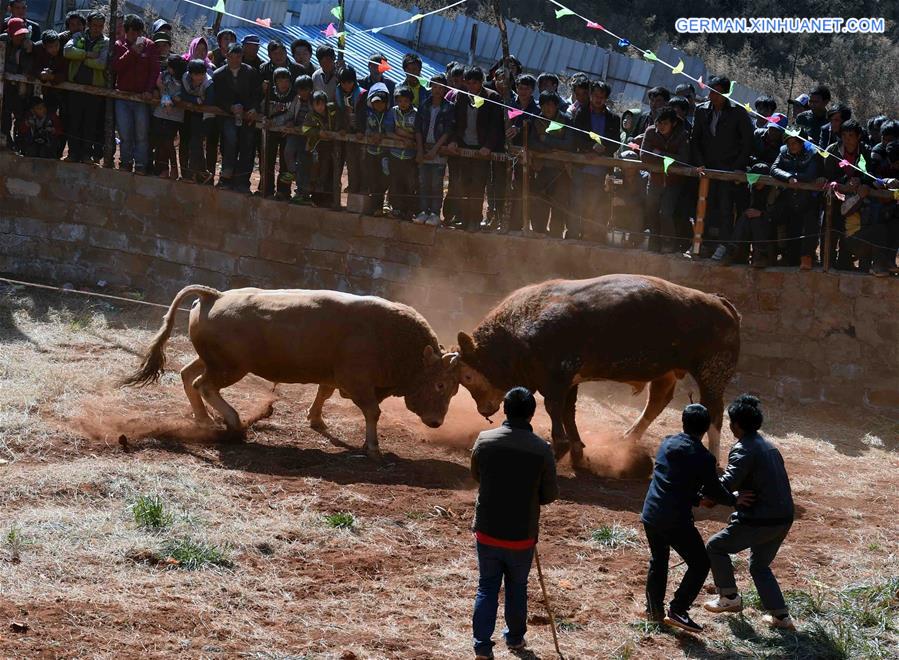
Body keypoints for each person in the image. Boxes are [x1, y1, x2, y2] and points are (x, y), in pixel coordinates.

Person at [470, 387, 558, 660]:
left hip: (487, 531)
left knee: (487, 586)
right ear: (532, 413)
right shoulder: (542, 449)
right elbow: (550, 494)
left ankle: (482, 646)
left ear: (504, 410)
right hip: (522, 535)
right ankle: (516, 639)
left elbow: (477, 475)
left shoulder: (484, 440)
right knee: (517, 587)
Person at [640, 403, 742, 633]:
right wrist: (734, 500)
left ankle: (653, 611)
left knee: (659, 561)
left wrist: (697, 499)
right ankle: (678, 609)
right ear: (706, 428)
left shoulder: (667, 442)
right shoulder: (704, 457)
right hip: (674, 518)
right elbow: (715, 491)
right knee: (700, 563)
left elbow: (671, 481)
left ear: (683, 423)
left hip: (651, 512)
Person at [702, 395, 796, 631]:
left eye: (731, 422)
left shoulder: (743, 448)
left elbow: (728, 483)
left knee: (715, 546)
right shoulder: (769, 446)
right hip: (783, 519)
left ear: (737, 424)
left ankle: (729, 598)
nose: (730, 426)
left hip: (760, 520)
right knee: (759, 566)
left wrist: (705, 488)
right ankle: (781, 617)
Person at [690, 75, 754, 260]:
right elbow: (695, 140)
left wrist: (737, 167)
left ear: (726, 93)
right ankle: (704, 244)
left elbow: (747, 142)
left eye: (717, 92)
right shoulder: (702, 111)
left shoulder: (738, 112)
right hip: (707, 168)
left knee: (726, 208)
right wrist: (699, 162)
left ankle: (724, 245)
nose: (712, 96)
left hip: (728, 169)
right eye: (710, 91)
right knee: (704, 206)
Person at [448, 66, 504, 232]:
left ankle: (474, 220)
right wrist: (453, 141)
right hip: (464, 147)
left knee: (478, 186)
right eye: (468, 83)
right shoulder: (461, 97)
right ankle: (464, 219)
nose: (471, 86)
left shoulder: (492, 97)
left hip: (481, 150)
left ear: (481, 82)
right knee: (463, 184)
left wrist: (488, 146)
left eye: (475, 83)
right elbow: (454, 122)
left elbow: (496, 126)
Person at [573, 80, 621, 241]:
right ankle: (575, 234)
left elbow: (615, 141)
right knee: (578, 202)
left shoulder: (613, 118)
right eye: (595, 95)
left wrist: (603, 149)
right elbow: (576, 136)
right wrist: (590, 148)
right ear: (590, 95)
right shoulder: (581, 113)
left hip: (602, 171)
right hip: (582, 167)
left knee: (597, 204)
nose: (597, 99)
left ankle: (593, 235)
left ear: (606, 98)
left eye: (601, 96)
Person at [769, 128, 823, 269]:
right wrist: (789, 177)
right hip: (789, 198)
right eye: (789, 143)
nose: (792, 146)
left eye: (795, 143)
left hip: (808, 199)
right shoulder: (783, 152)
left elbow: (811, 174)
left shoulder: (813, 153)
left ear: (802, 143)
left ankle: (808, 257)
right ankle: (789, 257)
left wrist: (794, 176)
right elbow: (774, 169)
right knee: (792, 228)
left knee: (809, 229)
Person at [212, 42, 262, 193]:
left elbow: (257, 94)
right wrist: (230, 108)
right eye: (231, 56)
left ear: (242, 57)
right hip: (227, 115)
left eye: (238, 56)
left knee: (247, 147)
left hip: (247, 116)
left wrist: (253, 108)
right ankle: (226, 177)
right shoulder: (219, 74)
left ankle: (242, 182)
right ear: (226, 56)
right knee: (230, 141)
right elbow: (217, 98)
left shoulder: (251, 72)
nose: (235, 60)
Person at [112, 14, 158, 175]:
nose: (135, 36)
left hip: (141, 98)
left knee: (141, 134)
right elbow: (116, 67)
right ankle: (125, 162)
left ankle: (140, 165)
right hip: (123, 97)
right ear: (126, 31)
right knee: (125, 134)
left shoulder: (149, 46)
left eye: (138, 33)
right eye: (132, 32)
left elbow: (154, 71)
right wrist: (132, 53)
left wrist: (149, 90)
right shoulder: (118, 45)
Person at [641, 106, 690, 253]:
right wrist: (667, 157)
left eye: (665, 123)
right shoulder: (650, 132)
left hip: (673, 182)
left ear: (673, 124)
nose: (661, 127)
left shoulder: (682, 135)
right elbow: (644, 156)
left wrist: (658, 153)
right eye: (659, 123)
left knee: (666, 212)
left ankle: (669, 243)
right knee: (651, 210)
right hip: (654, 179)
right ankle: (654, 241)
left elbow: (683, 159)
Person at [62, 11, 108, 164]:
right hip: (75, 88)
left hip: (94, 90)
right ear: (88, 24)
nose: (97, 29)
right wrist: (88, 54)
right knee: (74, 122)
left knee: (90, 124)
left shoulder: (106, 42)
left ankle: (86, 155)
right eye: (94, 25)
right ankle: (73, 154)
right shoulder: (78, 37)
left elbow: (102, 63)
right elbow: (67, 51)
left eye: (100, 26)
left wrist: (81, 59)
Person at [530, 91, 575, 237]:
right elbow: (531, 142)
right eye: (544, 105)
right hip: (541, 169)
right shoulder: (536, 119)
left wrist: (546, 140)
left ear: (556, 106)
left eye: (551, 105)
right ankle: (539, 233)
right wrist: (550, 149)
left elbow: (569, 144)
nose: (548, 108)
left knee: (559, 205)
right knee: (540, 203)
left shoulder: (566, 119)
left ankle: (556, 236)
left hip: (562, 171)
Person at [414, 73, 454, 226]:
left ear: (445, 90)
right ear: (430, 87)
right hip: (424, 149)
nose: (437, 90)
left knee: (436, 184)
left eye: (440, 87)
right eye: (434, 87)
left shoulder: (448, 108)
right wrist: (420, 149)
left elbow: (447, 132)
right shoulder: (424, 105)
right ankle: (423, 211)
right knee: (423, 182)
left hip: (439, 152)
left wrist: (435, 150)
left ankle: (435, 213)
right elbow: (418, 128)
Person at [720, 163, 776, 268]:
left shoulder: (774, 191)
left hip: (767, 225)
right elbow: (740, 199)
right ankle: (731, 253)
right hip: (748, 225)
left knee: (756, 220)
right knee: (744, 218)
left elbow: (777, 214)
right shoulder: (750, 189)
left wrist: (761, 214)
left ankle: (761, 256)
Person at [261, 66, 297, 199]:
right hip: (271, 132)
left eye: (286, 80)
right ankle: (267, 189)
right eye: (280, 80)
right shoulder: (269, 93)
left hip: (286, 133)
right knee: (268, 161)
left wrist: (290, 123)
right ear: (275, 82)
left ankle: (284, 191)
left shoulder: (294, 95)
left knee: (285, 162)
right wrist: (272, 112)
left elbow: (295, 114)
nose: (283, 83)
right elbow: (263, 112)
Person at [179, 58, 217, 184]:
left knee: (196, 142)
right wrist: (196, 100)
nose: (199, 77)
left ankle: (191, 174)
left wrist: (194, 101)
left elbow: (209, 101)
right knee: (195, 143)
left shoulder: (209, 83)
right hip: (194, 114)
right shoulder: (185, 78)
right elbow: (182, 95)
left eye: (201, 74)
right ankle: (202, 173)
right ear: (190, 74)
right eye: (196, 74)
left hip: (207, 116)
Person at [301, 89, 340, 206]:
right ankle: (315, 197)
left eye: (322, 104)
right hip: (316, 148)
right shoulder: (310, 116)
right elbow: (305, 129)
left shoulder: (332, 110)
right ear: (312, 105)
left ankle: (329, 198)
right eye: (317, 104)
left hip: (332, 147)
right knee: (317, 173)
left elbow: (341, 119)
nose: (320, 107)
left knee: (330, 172)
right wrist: (318, 133)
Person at [0, 16, 33, 150]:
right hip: (5, 86)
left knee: (21, 116)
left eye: (23, 34)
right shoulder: (2, 42)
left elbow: (27, 68)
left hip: (20, 88)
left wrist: (29, 51)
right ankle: (6, 142)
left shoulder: (28, 46)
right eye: (17, 35)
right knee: (4, 116)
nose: (21, 37)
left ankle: (22, 144)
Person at [363, 82, 395, 215]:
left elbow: (391, 129)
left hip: (385, 153)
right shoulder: (368, 114)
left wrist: (382, 135)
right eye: (375, 102)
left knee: (385, 179)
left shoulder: (390, 114)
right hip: (371, 153)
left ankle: (381, 206)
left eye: (381, 102)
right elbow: (364, 128)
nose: (378, 105)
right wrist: (370, 134)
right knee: (372, 180)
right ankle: (373, 208)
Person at [153, 54, 187, 179]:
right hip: (161, 111)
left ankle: (173, 166)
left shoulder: (185, 79)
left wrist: (175, 99)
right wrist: (162, 90)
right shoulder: (164, 75)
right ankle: (162, 169)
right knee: (160, 141)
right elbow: (159, 85)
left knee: (168, 141)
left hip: (175, 115)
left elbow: (184, 94)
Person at [334, 65, 365, 195]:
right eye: (344, 83)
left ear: (354, 81)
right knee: (343, 161)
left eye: (349, 82)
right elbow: (339, 112)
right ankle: (342, 189)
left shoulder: (362, 94)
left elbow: (363, 114)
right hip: (344, 132)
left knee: (357, 162)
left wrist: (360, 130)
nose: (347, 85)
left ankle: (357, 188)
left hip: (359, 133)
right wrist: (341, 128)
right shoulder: (338, 93)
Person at [283, 74, 314, 203]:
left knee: (304, 162)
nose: (302, 93)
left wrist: (304, 128)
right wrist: (289, 121)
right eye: (300, 90)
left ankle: (302, 193)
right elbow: (290, 114)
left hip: (308, 137)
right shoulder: (297, 99)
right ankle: (293, 172)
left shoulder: (315, 100)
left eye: (305, 89)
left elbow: (315, 119)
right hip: (295, 133)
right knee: (288, 152)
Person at [388, 86, 418, 220]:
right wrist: (403, 138)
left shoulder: (416, 114)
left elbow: (417, 134)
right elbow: (389, 131)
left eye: (405, 101)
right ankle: (396, 209)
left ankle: (409, 210)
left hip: (410, 156)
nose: (402, 104)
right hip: (394, 154)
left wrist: (402, 133)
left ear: (411, 101)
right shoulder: (392, 112)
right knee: (395, 182)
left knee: (410, 184)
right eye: (399, 101)